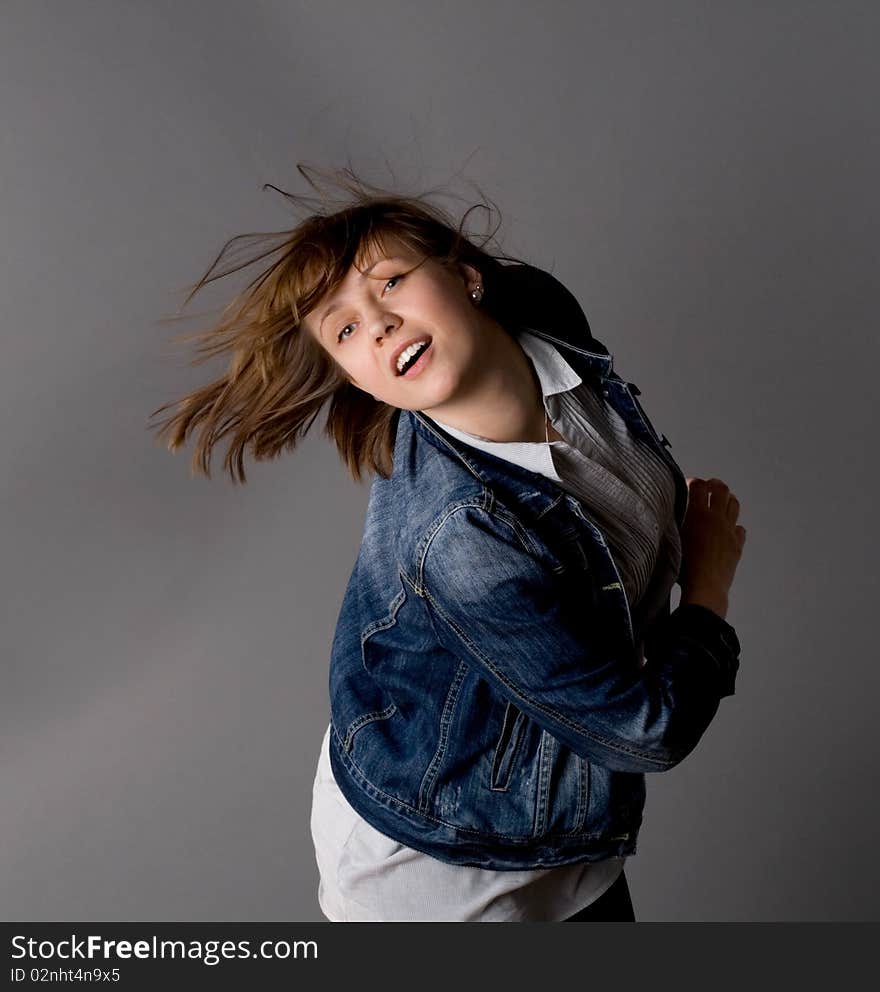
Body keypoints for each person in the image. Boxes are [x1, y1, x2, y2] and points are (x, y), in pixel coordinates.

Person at [149, 166, 746, 922]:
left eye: (390, 282)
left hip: (561, 821)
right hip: (438, 868)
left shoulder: (548, 320)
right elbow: (642, 732)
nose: (378, 323)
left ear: (466, 275)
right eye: (345, 330)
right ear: (360, 380)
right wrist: (708, 590)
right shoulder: (461, 536)